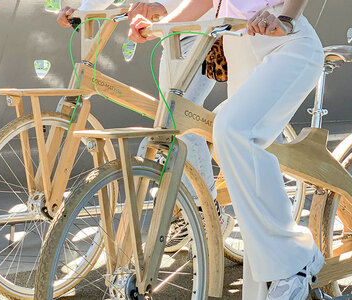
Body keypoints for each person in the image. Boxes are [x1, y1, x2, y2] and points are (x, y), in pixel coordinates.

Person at [129, 0, 325, 299]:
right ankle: (270, 276)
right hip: (239, 47)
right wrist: (160, 26)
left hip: (285, 41)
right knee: (225, 139)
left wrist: (285, 17)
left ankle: (295, 258)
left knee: (232, 130)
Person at [56, 0, 235, 251]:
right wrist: (81, 10)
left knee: (178, 119)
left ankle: (209, 213)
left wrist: (159, 7)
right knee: (169, 122)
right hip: (169, 37)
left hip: (201, 33)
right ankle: (185, 206)